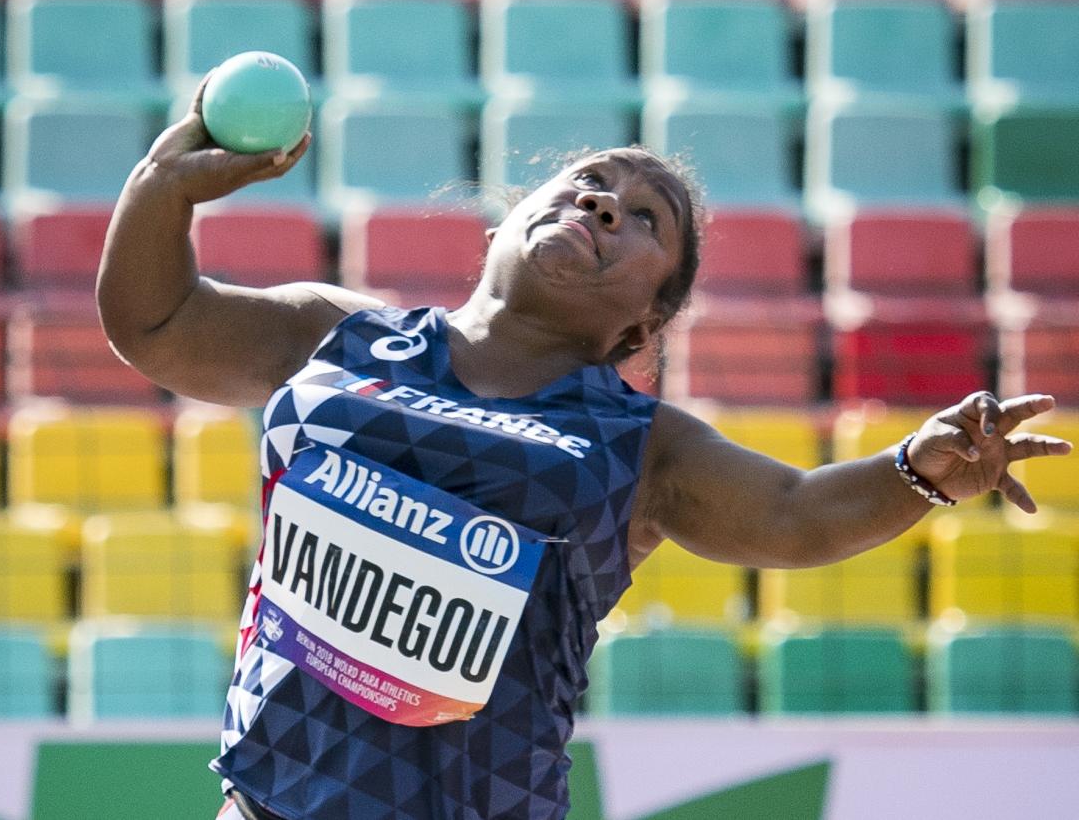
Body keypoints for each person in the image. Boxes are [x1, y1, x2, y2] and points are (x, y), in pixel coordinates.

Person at [97, 83, 1072, 820]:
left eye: (645, 219)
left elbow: (796, 513)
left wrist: (920, 470)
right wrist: (161, 189)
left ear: (648, 321)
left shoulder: (640, 445)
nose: (607, 204)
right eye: (589, 184)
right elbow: (156, 321)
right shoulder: (333, 334)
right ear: (504, 224)